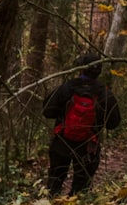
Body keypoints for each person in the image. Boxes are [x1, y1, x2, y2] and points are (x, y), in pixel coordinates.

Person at [42, 52, 121, 196]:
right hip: (88, 146)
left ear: (81, 68)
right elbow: (113, 123)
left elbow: (47, 111)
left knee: (55, 178)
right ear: (99, 71)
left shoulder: (67, 87)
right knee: (81, 186)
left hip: (62, 141)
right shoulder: (104, 93)